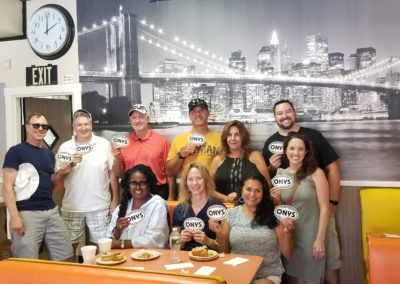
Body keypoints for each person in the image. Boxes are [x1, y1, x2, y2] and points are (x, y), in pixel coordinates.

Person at [262, 99, 341, 284]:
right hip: (291, 227)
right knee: (297, 274)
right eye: (279, 113)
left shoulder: (315, 156)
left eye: (288, 111)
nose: (284, 116)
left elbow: (334, 169)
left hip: (315, 220)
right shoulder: (274, 154)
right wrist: (273, 192)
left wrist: (333, 204)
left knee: (327, 265)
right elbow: (271, 188)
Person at [2, 113, 73, 260]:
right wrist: (15, 216)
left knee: (66, 256)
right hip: (27, 213)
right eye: (36, 125)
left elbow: (50, 186)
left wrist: (62, 174)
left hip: (51, 211)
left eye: (44, 126)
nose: (40, 128)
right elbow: (7, 186)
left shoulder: (49, 154)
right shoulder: (16, 151)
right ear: (27, 127)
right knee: (26, 263)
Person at [209, 174, 295, 284]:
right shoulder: (230, 214)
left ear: (264, 193)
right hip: (237, 273)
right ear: (241, 190)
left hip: (267, 275)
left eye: (258, 190)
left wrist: (289, 232)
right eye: (248, 189)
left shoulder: (275, 214)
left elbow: (288, 254)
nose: (252, 194)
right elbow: (224, 252)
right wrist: (219, 233)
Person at [57, 109, 119, 254]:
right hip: (72, 206)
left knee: (103, 249)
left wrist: (115, 199)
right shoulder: (65, 147)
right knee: (68, 249)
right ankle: (71, 276)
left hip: (100, 205)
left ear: (91, 125)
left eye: (86, 124)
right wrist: (70, 165)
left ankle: (100, 276)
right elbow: (58, 178)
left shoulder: (103, 144)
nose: (83, 128)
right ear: (73, 126)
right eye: (79, 125)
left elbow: (112, 173)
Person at [270, 132, 329, 284]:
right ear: (285, 150)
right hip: (289, 235)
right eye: (292, 148)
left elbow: (324, 208)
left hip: (310, 236)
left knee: (312, 279)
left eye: (300, 149)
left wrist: (320, 239)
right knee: (294, 279)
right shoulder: (280, 174)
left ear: (306, 151)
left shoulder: (316, 174)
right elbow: (279, 210)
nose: (296, 153)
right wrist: (275, 200)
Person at [112, 104, 174, 200]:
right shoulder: (124, 143)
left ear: (147, 118)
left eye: (141, 117)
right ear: (130, 121)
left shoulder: (162, 140)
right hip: (132, 191)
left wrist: (171, 197)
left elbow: (169, 172)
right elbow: (119, 173)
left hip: (157, 191)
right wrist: (116, 157)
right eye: (134, 118)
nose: (137, 120)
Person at [107, 164, 169, 249]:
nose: (138, 187)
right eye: (133, 183)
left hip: (152, 257)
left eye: (142, 183)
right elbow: (109, 241)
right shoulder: (120, 208)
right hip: (123, 257)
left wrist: (121, 244)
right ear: (128, 186)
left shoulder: (157, 204)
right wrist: (118, 231)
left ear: (149, 185)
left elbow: (154, 240)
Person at [210, 120, 272, 203]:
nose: (233, 138)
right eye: (229, 135)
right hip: (222, 209)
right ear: (225, 138)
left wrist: (245, 196)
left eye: (237, 135)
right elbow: (209, 188)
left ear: (243, 137)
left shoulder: (255, 156)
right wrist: (225, 198)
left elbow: (267, 184)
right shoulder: (217, 160)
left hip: (251, 207)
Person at [173, 163, 224, 251]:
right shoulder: (179, 209)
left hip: (211, 258)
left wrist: (208, 241)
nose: (195, 183)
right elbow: (173, 247)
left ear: (206, 180)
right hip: (186, 258)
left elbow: (225, 249)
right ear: (186, 183)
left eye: (199, 178)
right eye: (190, 179)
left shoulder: (218, 208)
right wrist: (181, 240)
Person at [166, 98, 221, 178]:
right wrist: (181, 155)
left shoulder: (221, 138)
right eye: (194, 112)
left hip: (212, 188)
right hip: (187, 189)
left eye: (201, 110)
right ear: (189, 115)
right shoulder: (178, 140)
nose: (198, 114)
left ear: (208, 113)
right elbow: (169, 172)